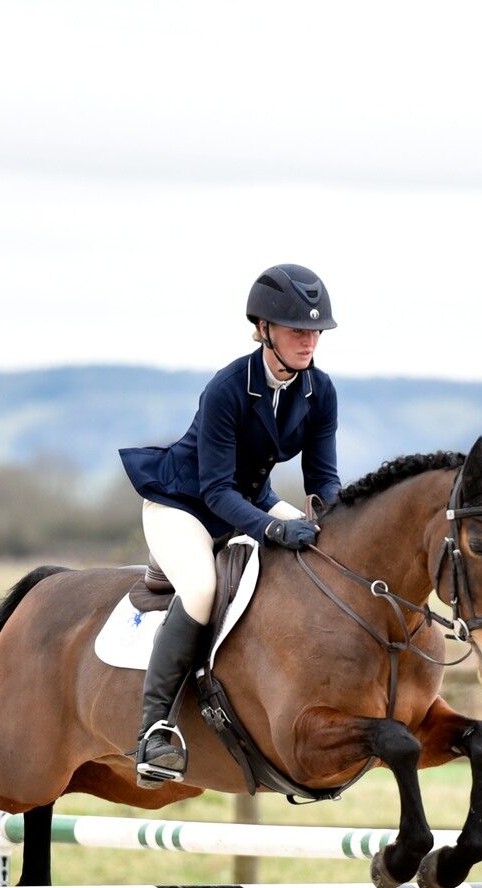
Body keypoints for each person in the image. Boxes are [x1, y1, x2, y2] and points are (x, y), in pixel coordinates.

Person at [116, 264, 343, 786]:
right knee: (199, 589)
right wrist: (272, 530)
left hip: (251, 501)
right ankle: (154, 732)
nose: (308, 341)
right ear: (263, 329)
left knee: (326, 553)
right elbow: (216, 490)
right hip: (184, 504)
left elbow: (323, 481)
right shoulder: (228, 388)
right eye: (296, 330)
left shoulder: (320, 392)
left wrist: (330, 521)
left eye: (315, 332)